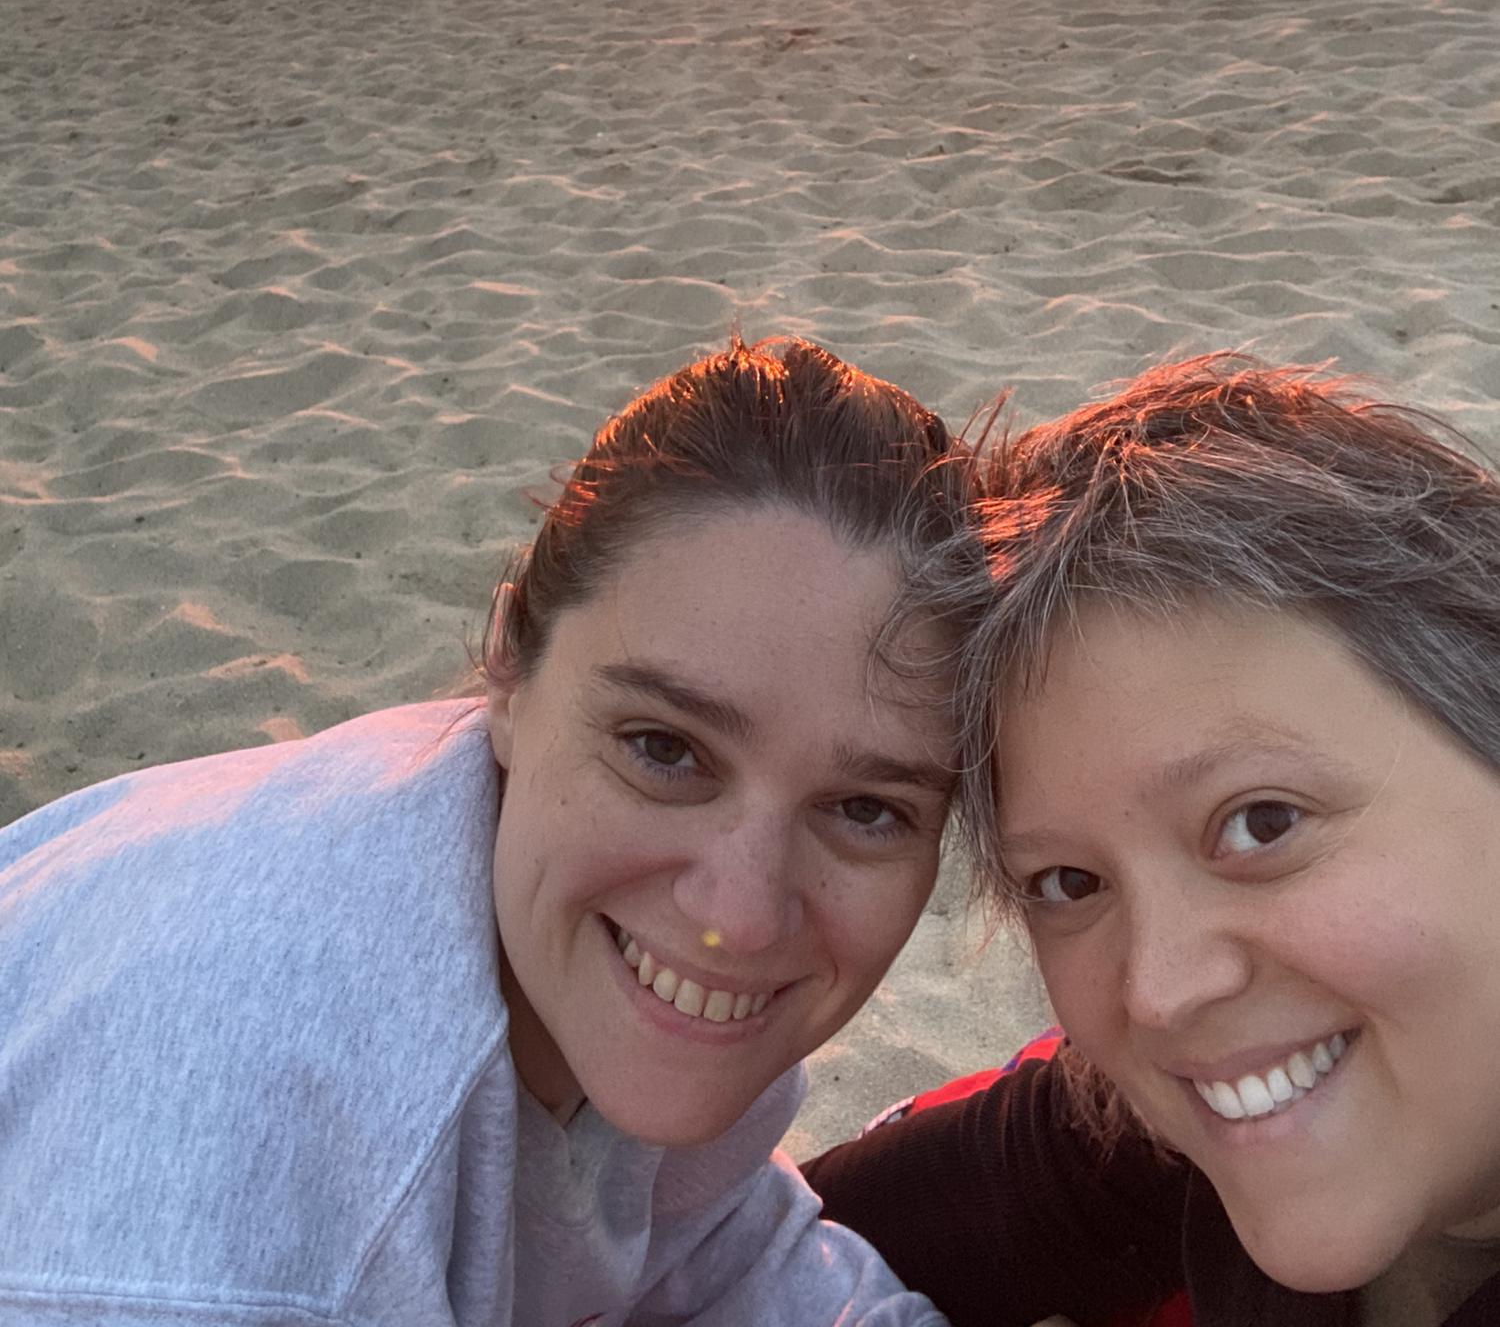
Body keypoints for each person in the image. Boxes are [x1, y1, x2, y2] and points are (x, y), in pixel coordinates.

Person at [0, 336, 985, 1326]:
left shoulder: (568, 940)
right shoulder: (258, 1203)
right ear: (510, 672)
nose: (742, 914)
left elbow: (732, 1252)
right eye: (663, 747)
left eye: (867, 809)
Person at [806, 354, 1500, 1327]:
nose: (1158, 992)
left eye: (1263, 822)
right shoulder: (1154, 1139)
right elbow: (771, 1239)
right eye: (1068, 879)